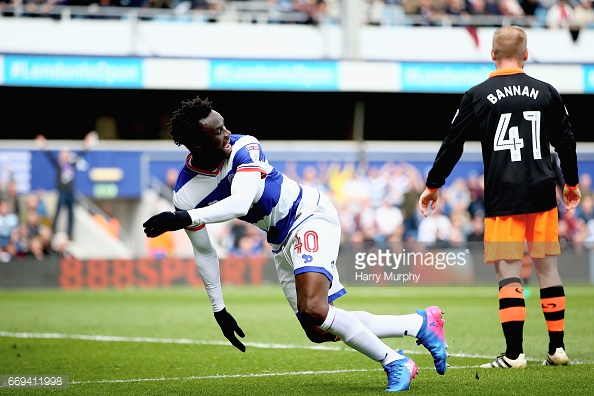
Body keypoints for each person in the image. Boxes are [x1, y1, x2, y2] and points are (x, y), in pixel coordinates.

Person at [143, 96, 448, 392]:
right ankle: (419, 323)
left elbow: (240, 203)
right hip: (280, 239)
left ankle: (395, 362)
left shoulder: (243, 145)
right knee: (317, 329)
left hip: (308, 215)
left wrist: (183, 218)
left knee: (315, 309)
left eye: (224, 126)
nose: (227, 134)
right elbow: (205, 250)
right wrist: (218, 308)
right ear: (197, 143)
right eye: (218, 131)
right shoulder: (185, 194)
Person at [418, 25, 580, 369]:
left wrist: (434, 184)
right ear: (525, 53)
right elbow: (566, 140)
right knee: (548, 269)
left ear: (492, 54)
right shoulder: (547, 92)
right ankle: (557, 349)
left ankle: (514, 355)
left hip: (504, 192)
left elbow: (453, 144)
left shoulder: (476, 95)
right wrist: (571, 183)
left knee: (508, 272)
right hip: (542, 188)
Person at [35, 131, 97, 240]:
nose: (65, 155)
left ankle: (70, 234)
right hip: (62, 191)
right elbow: (50, 156)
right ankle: (53, 232)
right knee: (58, 212)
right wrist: (43, 145)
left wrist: (87, 144)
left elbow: (81, 154)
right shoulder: (59, 165)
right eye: (63, 154)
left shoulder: (71, 164)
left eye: (67, 154)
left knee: (71, 215)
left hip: (70, 192)